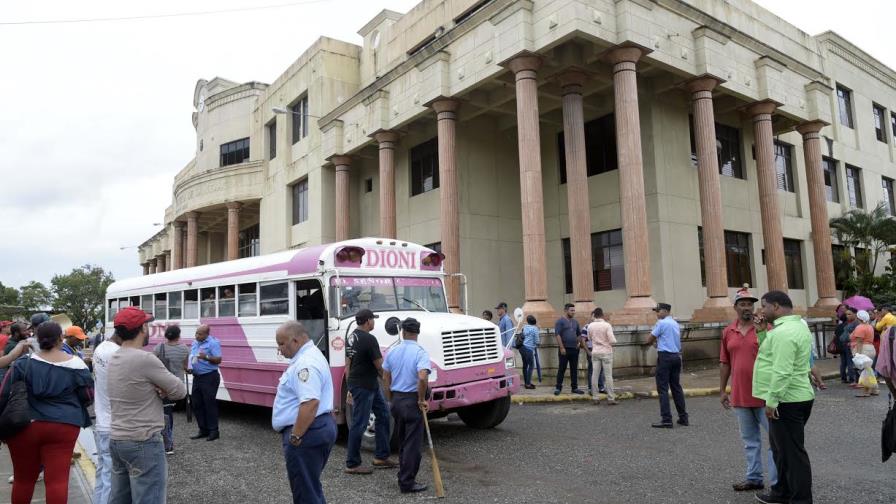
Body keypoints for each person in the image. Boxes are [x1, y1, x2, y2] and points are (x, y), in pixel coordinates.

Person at [1, 321, 93, 504]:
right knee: (57, 480)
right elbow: (88, 396)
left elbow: (3, 394)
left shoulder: (22, 363)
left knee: (23, 479)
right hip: (64, 424)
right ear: (61, 338)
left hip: (25, 424)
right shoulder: (77, 364)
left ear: (37, 339)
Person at [107, 306, 187, 504]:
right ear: (142, 328)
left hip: (117, 439)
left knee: (119, 498)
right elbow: (180, 391)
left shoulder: (114, 357)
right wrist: (162, 388)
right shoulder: (145, 359)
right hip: (143, 441)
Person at [752, 291, 815, 504]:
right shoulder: (793, 327)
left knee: (793, 453)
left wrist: (771, 402)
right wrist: (761, 333)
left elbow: (782, 371)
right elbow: (770, 356)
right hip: (794, 397)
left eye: (764, 306)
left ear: (776, 306)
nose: (761, 311)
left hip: (787, 401)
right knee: (781, 450)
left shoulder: (783, 333)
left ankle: (801, 499)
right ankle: (781, 492)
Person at [719, 286, 777, 492]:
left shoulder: (765, 329)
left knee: (775, 440)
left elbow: (775, 358)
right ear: (735, 307)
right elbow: (725, 363)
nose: (747, 307)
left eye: (750, 304)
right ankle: (754, 478)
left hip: (764, 396)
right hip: (740, 395)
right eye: (742, 304)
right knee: (750, 441)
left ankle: (778, 483)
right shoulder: (728, 332)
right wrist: (722, 390)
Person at [272, 321, 337, 504]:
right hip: (316, 427)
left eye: (281, 344)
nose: (279, 350)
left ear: (295, 341)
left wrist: (295, 437)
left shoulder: (305, 363)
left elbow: (310, 403)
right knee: (310, 485)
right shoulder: (311, 355)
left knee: (305, 492)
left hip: (307, 432)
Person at [344, 309, 396, 474]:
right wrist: (391, 384)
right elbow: (380, 366)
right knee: (359, 423)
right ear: (367, 321)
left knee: (383, 415)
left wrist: (349, 386)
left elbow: (347, 364)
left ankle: (381, 456)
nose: (374, 322)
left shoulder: (351, 337)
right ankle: (352, 463)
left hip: (364, 384)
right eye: (372, 319)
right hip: (364, 386)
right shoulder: (369, 339)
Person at [383, 318, 431, 494]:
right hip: (412, 402)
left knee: (403, 440)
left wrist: (390, 398)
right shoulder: (420, 352)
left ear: (403, 332)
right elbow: (423, 377)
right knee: (412, 445)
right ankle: (407, 482)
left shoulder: (393, 351)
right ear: (417, 333)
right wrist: (421, 399)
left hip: (397, 400)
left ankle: (403, 475)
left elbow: (385, 376)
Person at [644, 303, 688, 428]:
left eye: (658, 311)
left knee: (662, 389)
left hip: (665, 357)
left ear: (665, 311)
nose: (657, 314)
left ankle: (666, 419)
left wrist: (653, 342)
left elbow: (649, 339)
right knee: (676, 387)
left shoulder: (661, 323)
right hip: (676, 356)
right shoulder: (675, 323)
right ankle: (683, 417)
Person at [91, 327, 122, 504]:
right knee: (112, 479)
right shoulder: (117, 353)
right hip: (113, 424)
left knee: (103, 473)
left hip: (102, 422)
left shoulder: (101, 347)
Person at [153, 325, 190, 454]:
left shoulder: (159, 348)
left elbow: (152, 363)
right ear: (178, 336)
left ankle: (166, 443)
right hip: (177, 386)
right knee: (168, 413)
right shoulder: (185, 349)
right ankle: (167, 442)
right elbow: (185, 366)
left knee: (163, 413)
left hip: (162, 384)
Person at [188, 324, 223, 440]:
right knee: (197, 403)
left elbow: (218, 359)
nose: (197, 336)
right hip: (197, 377)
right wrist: (188, 367)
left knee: (209, 404)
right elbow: (191, 357)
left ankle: (214, 431)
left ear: (207, 334)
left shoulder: (213, 343)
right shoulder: (195, 343)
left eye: (200, 334)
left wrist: (206, 357)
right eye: (196, 333)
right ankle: (203, 429)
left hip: (209, 377)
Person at [588, 308, 617, 405]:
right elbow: (612, 340)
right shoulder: (607, 325)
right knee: (608, 376)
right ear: (602, 315)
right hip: (606, 352)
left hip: (595, 352)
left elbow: (589, 338)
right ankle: (611, 398)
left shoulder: (590, 326)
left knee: (594, 375)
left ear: (594, 315)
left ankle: (595, 397)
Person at [554, 303, 584, 396]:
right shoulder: (560, 321)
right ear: (566, 310)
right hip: (564, 349)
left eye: (574, 310)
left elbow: (579, 334)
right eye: (571, 310)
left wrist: (580, 343)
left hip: (574, 349)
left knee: (574, 369)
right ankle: (558, 388)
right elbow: (557, 334)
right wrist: (561, 347)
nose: (573, 312)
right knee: (562, 369)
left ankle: (574, 388)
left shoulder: (575, 322)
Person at [850, 310, 879, 397]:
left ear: (859, 318)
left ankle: (867, 391)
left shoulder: (860, 327)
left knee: (865, 371)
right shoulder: (869, 326)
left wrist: (858, 354)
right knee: (869, 370)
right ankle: (874, 389)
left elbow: (859, 341)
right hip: (870, 348)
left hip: (863, 349)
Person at [518, 315, 539, 389]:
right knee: (531, 365)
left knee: (525, 365)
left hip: (522, 348)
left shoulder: (524, 327)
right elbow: (537, 341)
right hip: (529, 349)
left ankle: (526, 382)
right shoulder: (535, 329)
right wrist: (537, 344)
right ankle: (528, 384)